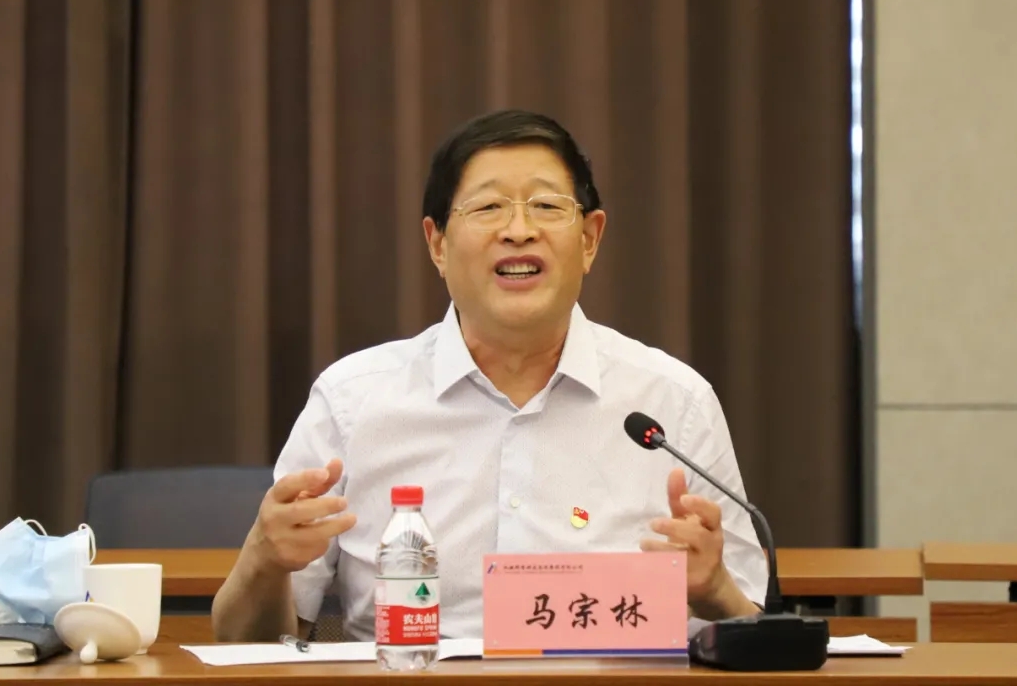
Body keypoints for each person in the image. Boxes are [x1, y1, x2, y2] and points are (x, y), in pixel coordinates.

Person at [211, 109, 767, 643]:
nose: (519, 230)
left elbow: (755, 631)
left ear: (589, 239)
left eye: (546, 205)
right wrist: (264, 558)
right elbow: (249, 643)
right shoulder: (352, 402)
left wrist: (716, 591)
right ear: (437, 244)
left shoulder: (674, 403)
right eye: (488, 207)